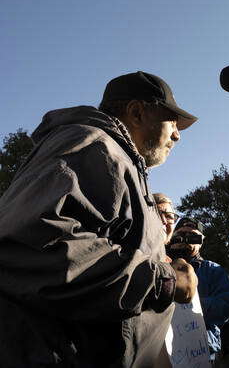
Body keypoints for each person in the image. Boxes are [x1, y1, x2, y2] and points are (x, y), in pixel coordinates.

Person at [0, 71, 199, 367]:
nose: (177, 134)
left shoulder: (118, 160)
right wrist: (164, 280)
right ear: (136, 112)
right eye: (171, 121)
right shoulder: (92, 144)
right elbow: (32, 243)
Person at [167, 217, 229, 364]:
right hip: (164, 350)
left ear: (201, 240)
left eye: (191, 236)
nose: (184, 240)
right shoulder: (162, 266)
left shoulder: (213, 270)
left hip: (201, 350)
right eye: (180, 235)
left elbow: (226, 306)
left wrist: (189, 305)